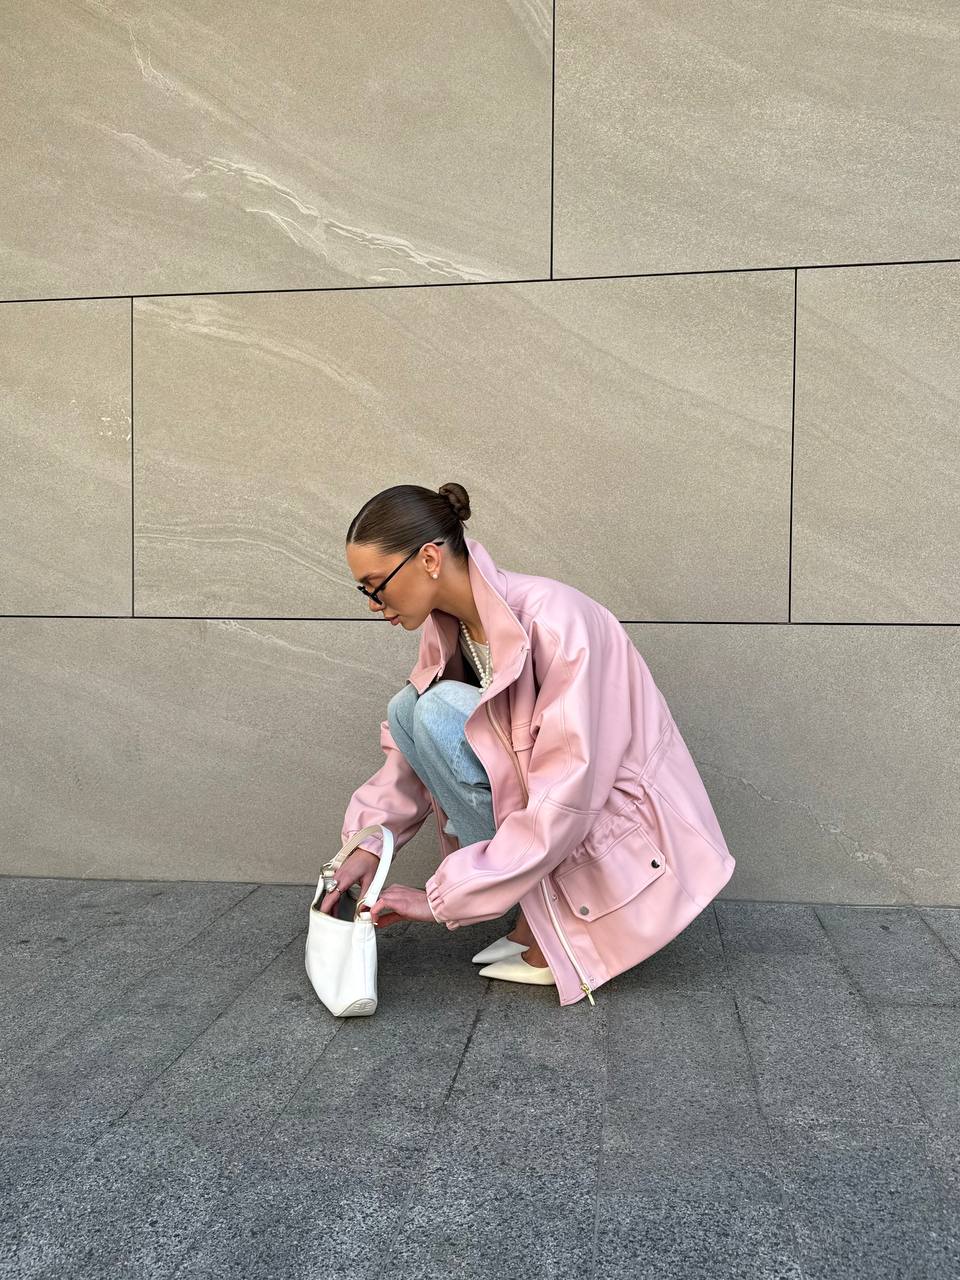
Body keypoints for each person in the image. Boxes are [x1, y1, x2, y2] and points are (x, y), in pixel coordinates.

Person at [319, 481, 736, 1007]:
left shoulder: (558, 621)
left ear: (428, 559)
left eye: (375, 585)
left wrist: (441, 898)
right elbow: (409, 761)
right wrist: (366, 845)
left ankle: (549, 926)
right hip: (556, 816)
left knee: (440, 709)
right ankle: (532, 915)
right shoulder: (445, 628)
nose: (374, 603)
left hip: (615, 833)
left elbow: (571, 785)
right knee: (410, 709)